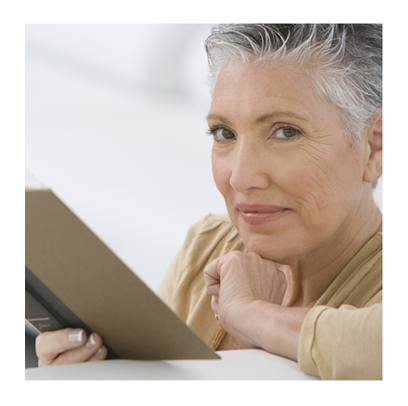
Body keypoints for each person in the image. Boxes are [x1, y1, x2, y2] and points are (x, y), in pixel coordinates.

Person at [34, 24, 382, 380]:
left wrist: (250, 315)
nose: (240, 178)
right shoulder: (208, 245)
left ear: (376, 146)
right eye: (224, 133)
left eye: (285, 131)